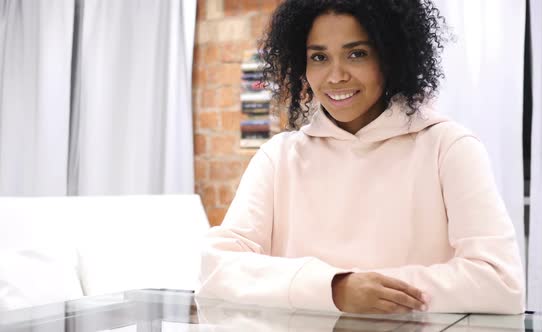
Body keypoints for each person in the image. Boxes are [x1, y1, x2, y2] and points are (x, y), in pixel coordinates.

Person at [198, 0, 525, 315]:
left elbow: (499, 280)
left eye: (357, 54)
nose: (336, 76)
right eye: (319, 57)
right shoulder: (279, 157)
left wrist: (366, 293)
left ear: (391, 56)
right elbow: (218, 271)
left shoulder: (449, 147)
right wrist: (336, 289)